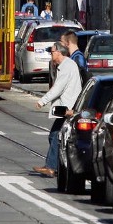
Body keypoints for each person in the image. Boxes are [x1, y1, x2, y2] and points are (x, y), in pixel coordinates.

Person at [33, 42, 82, 178]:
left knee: (55, 136)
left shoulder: (67, 66)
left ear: (59, 52)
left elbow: (58, 88)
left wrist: (42, 101)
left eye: (52, 51)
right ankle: (54, 165)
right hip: (65, 107)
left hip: (67, 109)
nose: (51, 54)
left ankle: (52, 167)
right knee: (54, 136)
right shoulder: (65, 65)